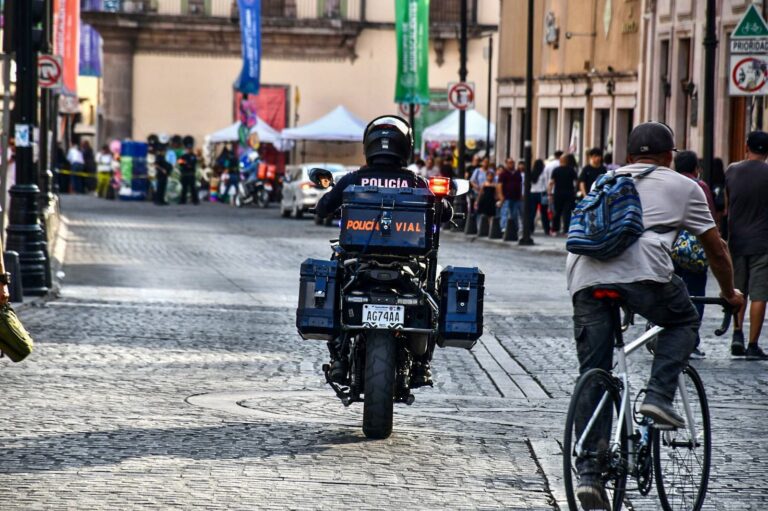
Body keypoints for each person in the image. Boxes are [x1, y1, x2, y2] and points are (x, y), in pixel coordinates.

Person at [567, 122, 743, 509]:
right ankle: (659, 397)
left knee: (593, 373)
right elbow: (716, 250)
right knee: (682, 320)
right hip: (644, 274)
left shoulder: (603, 182)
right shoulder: (685, 186)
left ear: (629, 157)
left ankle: (589, 474)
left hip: (584, 275)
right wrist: (729, 294)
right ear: (671, 157)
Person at [316, 115, 453, 386]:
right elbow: (445, 213)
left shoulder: (352, 180)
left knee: (334, 288)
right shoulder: (416, 182)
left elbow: (322, 208)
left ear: (369, 145)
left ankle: (339, 358)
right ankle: (422, 365)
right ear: (406, 147)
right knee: (431, 296)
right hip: (407, 265)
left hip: (360, 262)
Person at [725, 131, 768, 360]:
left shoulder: (732, 170)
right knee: (760, 294)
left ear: (746, 146)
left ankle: (737, 332)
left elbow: (727, 204)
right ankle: (753, 344)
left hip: (737, 239)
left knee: (738, 290)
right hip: (763, 240)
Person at [673, 150, 716, 359]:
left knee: (671, 292)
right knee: (696, 295)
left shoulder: (668, 184)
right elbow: (710, 219)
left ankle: (666, 336)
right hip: (694, 251)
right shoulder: (700, 187)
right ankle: (690, 342)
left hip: (670, 248)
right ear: (695, 169)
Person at [548, 153, 578, 235]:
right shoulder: (571, 170)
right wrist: (575, 191)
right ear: (567, 161)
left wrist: (550, 193)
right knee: (567, 213)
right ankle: (566, 230)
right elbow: (576, 181)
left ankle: (555, 229)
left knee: (557, 212)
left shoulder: (556, 170)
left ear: (560, 161)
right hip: (569, 194)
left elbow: (551, 183)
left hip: (558, 194)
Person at [496, 158, 523, 240]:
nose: (511, 164)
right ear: (506, 163)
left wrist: (521, 194)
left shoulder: (517, 173)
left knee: (514, 214)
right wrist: (501, 196)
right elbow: (499, 185)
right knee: (505, 212)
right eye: (510, 163)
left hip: (516, 197)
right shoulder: (503, 174)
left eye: (513, 162)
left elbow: (520, 184)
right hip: (506, 197)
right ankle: (503, 228)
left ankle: (514, 228)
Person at [528, 158, 551, 235]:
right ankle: (546, 229)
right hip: (542, 193)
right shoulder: (543, 173)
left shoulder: (532, 173)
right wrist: (548, 194)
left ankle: (530, 228)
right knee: (544, 212)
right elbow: (546, 184)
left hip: (532, 193)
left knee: (532, 212)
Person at [177, 137, 199, 205]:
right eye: (188, 149)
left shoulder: (193, 156)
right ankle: (182, 200)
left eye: (190, 148)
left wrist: (186, 163)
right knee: (184, 188)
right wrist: (186, 163)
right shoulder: (184, 155)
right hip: (184, 174)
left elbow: (193, 163)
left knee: (193, 188)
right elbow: (179, 162)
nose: (189, 150)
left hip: (191, 174)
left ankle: (195, 201)